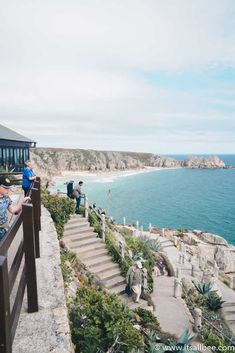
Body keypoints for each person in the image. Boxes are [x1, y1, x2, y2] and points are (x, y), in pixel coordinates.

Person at [0, 177, 30, 241]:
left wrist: (22, 202)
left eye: (8, 188)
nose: (8, 190)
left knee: (4, 249)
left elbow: (13, 210)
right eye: (5, 188)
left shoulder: (6, 198)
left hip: (4, 230)